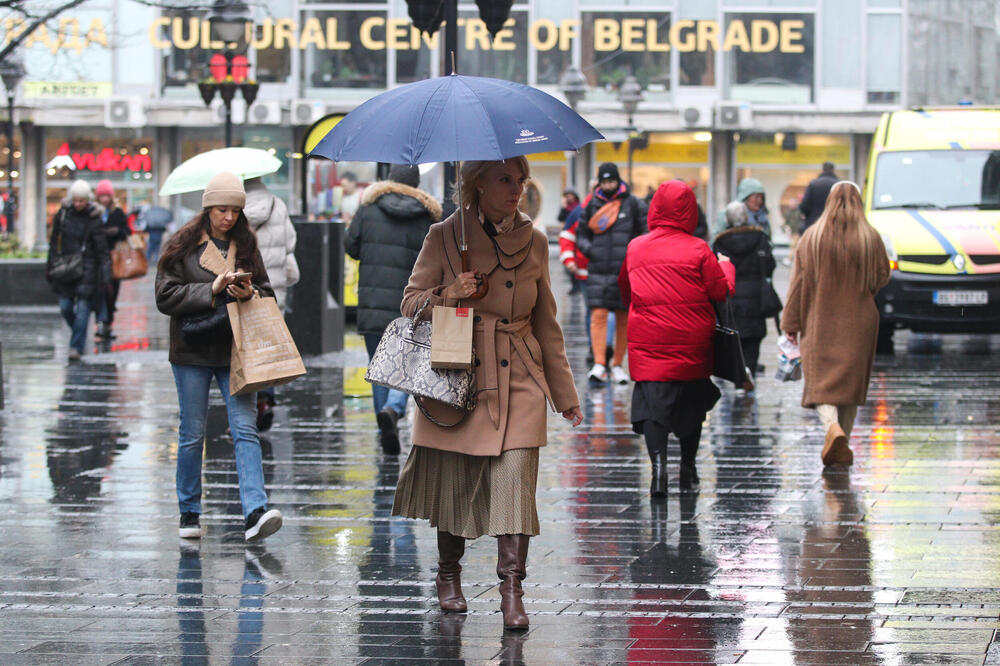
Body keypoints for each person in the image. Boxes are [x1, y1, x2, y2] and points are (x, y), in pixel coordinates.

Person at [391, 158, 583, 631]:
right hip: (458, 374)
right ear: (477, 183)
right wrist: (450, 292)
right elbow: (410, 303)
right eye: (505, 180)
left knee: (515, 482)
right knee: (453, 481)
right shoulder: (443, 235)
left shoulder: (536, 240)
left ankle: (511, 590)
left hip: (518, 374)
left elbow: (547, 323)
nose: (516, 189)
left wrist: (565, 393)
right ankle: (449, 574)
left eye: (521, 181)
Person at [154, 171, 283, 542]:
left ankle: (255, 511)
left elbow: (268, 293)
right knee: (193, 433)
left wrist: (248, 292)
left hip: (234, 349)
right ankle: (189, 511)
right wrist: (210, 289)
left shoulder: (246, 244)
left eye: (234, 210)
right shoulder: (182, 244)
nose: (228, 217)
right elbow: (165, 296)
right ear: (208, 207)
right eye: (221, 209)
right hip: (192, 349)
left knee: (245, 429)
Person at [619, 181, 734, 497]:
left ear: (655, 209)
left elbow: (625, 289)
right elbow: (719, 291)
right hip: (692, 342)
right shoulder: (699, 249)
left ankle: (658, 470)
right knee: (691, 405)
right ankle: (688, 466)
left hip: (649, 341)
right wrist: (728, 268)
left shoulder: (636, 247)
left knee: (653, 405)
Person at [781, 181, 890, 467]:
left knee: (822, 384)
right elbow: (881, 277)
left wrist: (790, 323)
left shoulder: (812, 237)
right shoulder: (871, 237)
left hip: (819, 319)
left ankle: (832, 429)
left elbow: (797, 285)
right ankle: (843, 439)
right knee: (850, 388)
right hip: (860, 323)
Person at [346, 164, 440, 454]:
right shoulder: (427, 216)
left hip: (373, 302)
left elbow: (351, 246)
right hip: (408, 304)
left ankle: (383, 421)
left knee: (378, 365)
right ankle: (393, 407)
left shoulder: (368, 208)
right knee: (407, 362)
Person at [577, 162, 647, 385]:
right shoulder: (591, 205)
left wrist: (632, 255)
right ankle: (599, 364)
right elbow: (581, 234)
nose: (608, 185)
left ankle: (617, 364)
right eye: (604, 181)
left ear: (618, 181)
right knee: (597, 316)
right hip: (598, 270)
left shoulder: (633, 204)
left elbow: (644, 231)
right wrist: (592, 251)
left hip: (624, 272)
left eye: (611, 181)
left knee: (623, 318)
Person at [243, 177, 301, 433]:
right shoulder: (278, 205)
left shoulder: (235, 209)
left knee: (245, 346)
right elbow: (290, 243)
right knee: (268, 345)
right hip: (274, 287)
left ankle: (249, 400)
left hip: (244, 284)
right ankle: (265, 394)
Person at [46, 179, 110, 362]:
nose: (78, 204)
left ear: (87, 200)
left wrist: (105, 273)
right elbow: (53, 242)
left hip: (88, 269)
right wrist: (50, 265)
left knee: (83, 309)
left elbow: (102, 249)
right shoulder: (63, 214)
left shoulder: (94, 217)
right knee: (65, 307)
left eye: (81, 200)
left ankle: (76, 347)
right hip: (65, 267)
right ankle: (79, 335)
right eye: (75, 200)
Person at [712, 200, 776, 381]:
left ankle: (739, 377)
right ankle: (750, 374)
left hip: (732, 299)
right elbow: (769, 263)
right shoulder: (760, 237)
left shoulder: (720, 242)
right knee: (753, 340)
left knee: (734, 339)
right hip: (756, 298)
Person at [93, 179, 131, 342]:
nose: (104, 199)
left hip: (114, 257)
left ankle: (108, 323)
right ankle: (101, 323)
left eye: (106, 196)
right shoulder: (94, 212)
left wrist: (114, 231)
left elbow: (126, 231)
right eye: (101, 196)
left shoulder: (117, 212)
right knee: (100, 291)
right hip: (96, 258)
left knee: (111, 292)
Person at [798, 162, 839, 235]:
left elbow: (805, 206)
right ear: (833, 170)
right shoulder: (838, 184)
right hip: (834, 225)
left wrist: (808, 217)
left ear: (822, 170)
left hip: (814, 224)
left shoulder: (813, 184)